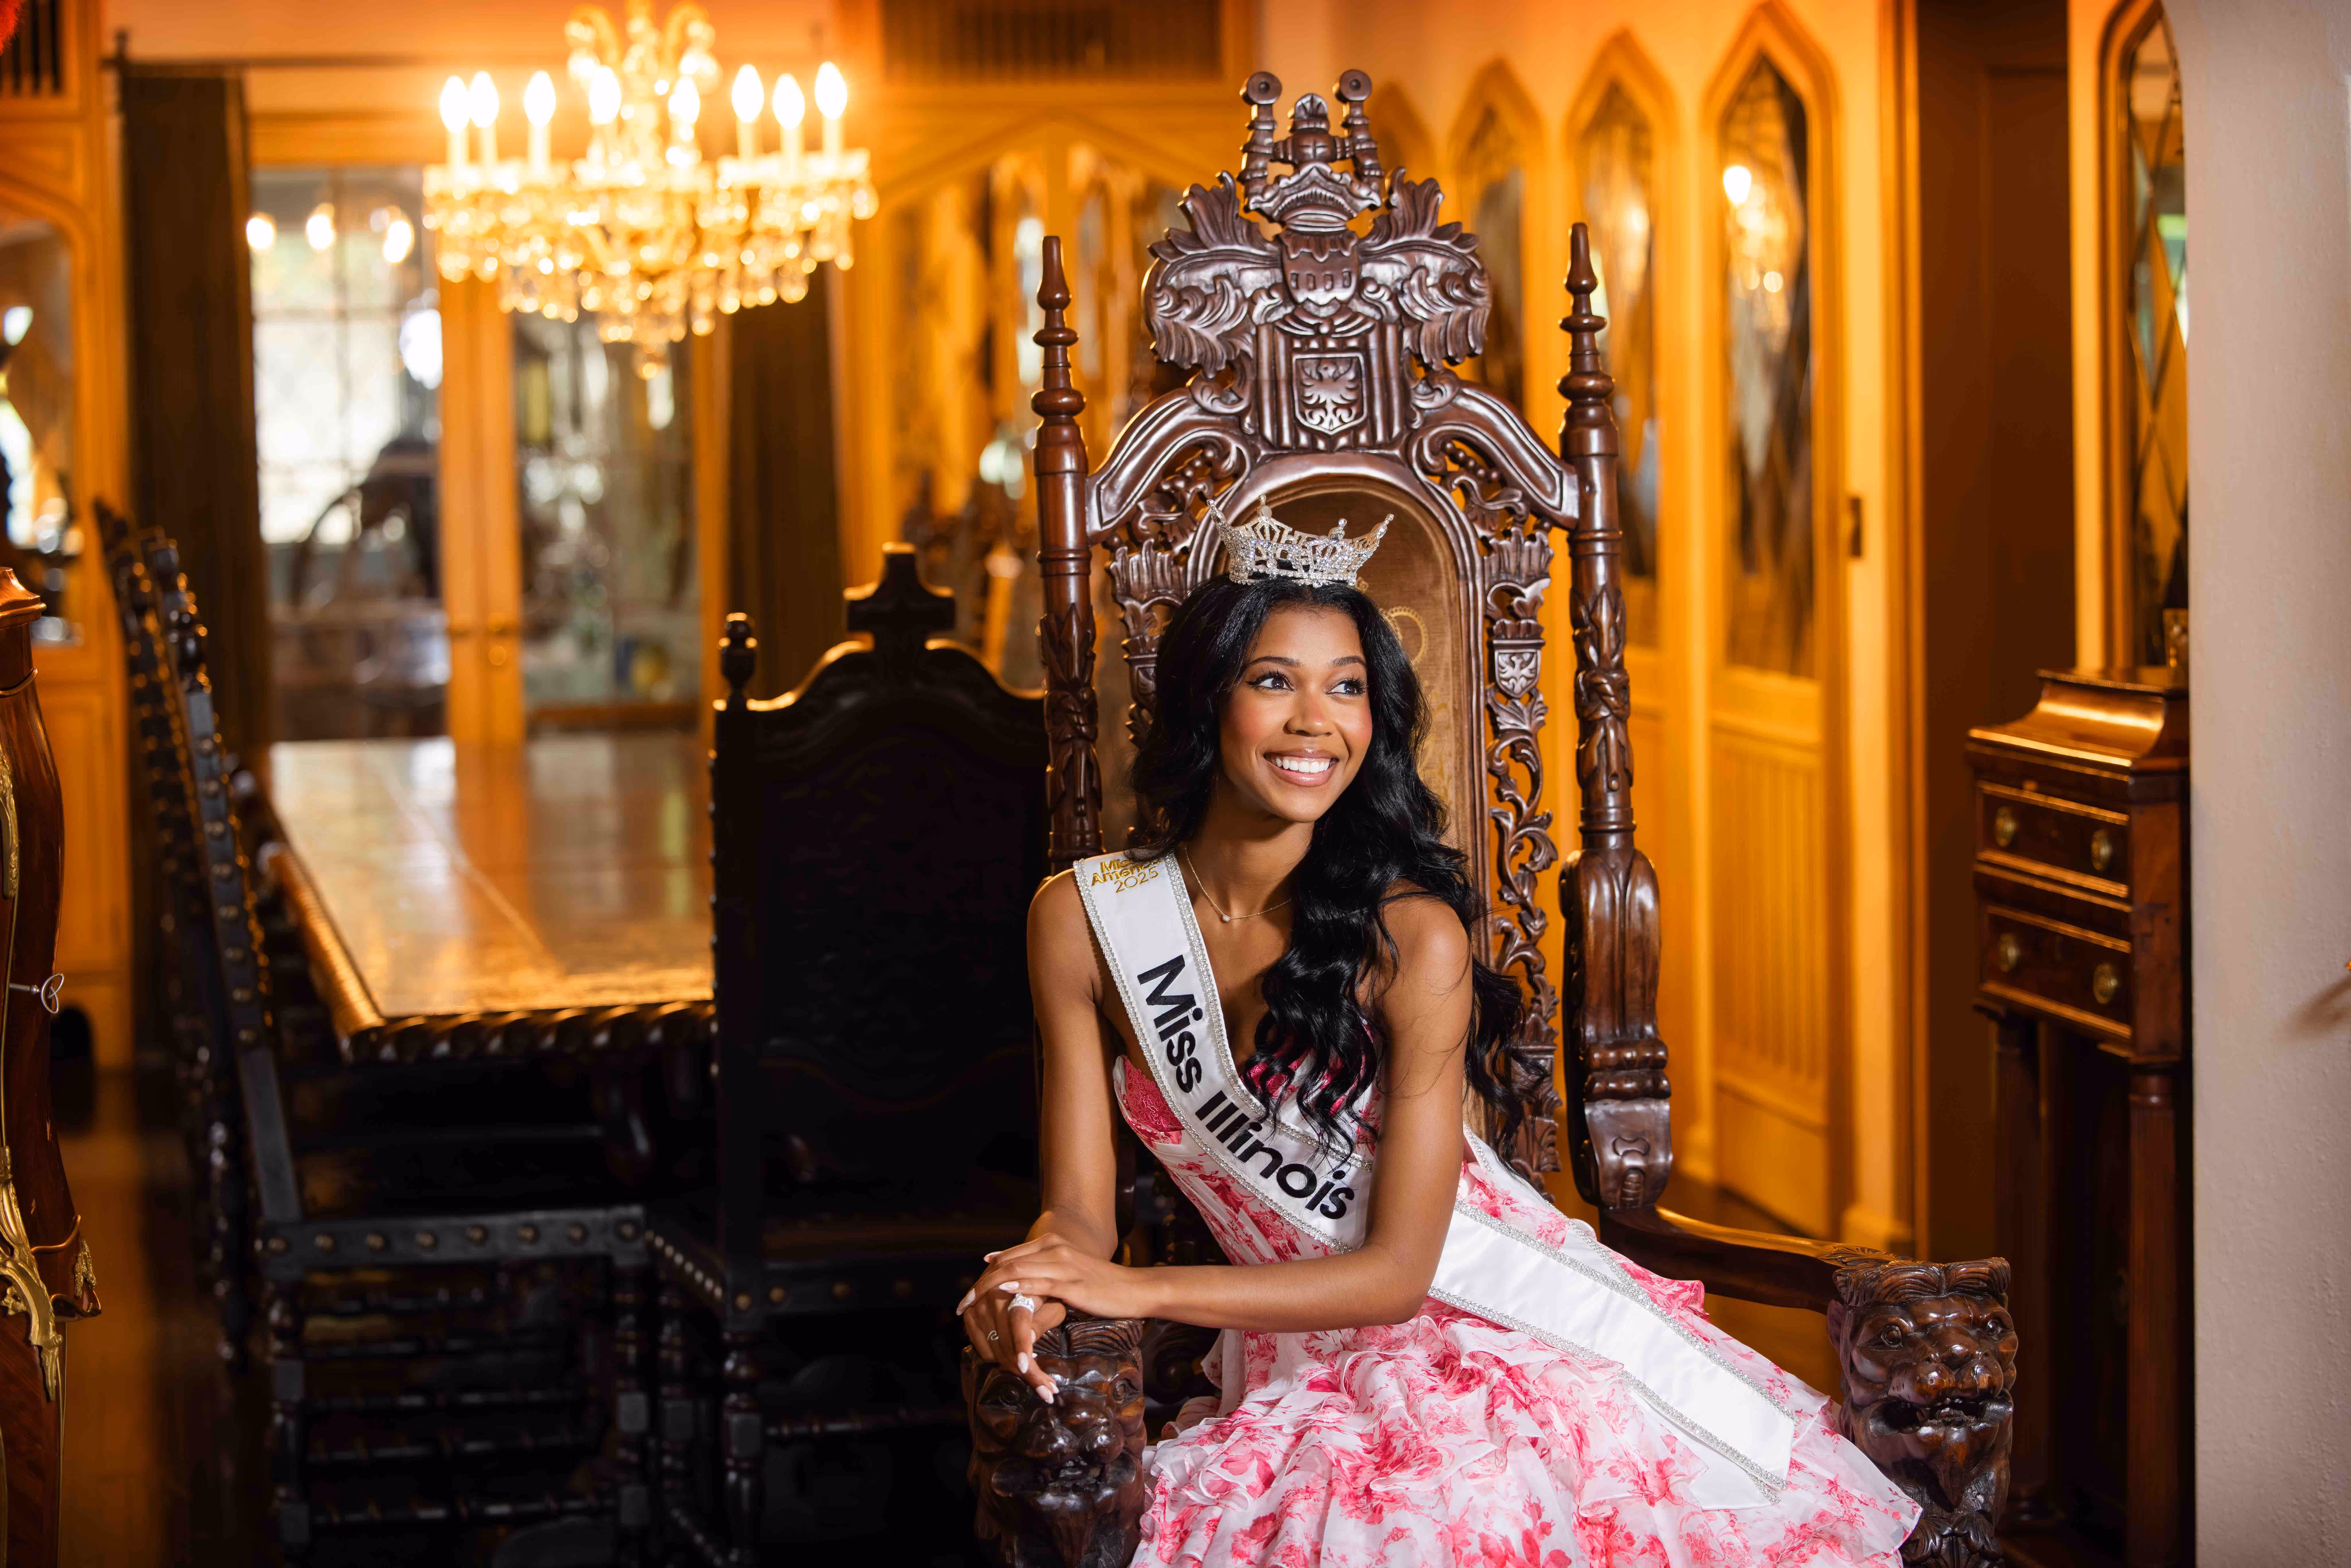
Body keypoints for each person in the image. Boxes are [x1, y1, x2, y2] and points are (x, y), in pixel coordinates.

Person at [960, 504, 1917, 1565]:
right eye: (1275, 680)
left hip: (1489, 1336)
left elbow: (1399, 1276)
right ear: (1204, 700)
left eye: (1350, 686)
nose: (1317, 719)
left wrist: (1131, 1292)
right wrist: (1041, 1276)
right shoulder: (1084, 920)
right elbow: (1082, 1210)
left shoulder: (1411, 939)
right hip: (1295, 1365)